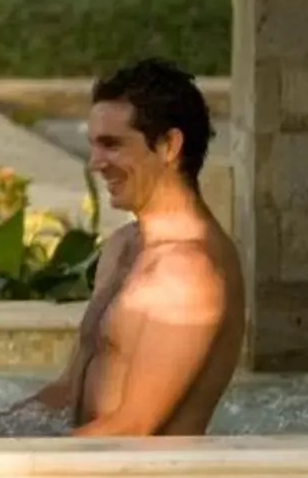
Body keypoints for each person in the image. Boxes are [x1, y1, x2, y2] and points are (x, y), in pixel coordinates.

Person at [20, 59, 243, 437]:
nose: (95, 164)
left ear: (169, 145)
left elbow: (132, 430)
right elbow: (65, 391)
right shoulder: (125, 245)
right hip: (90, 474)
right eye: (93, 145)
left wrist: (13, 472)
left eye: (112, 145)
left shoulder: (188, 274)